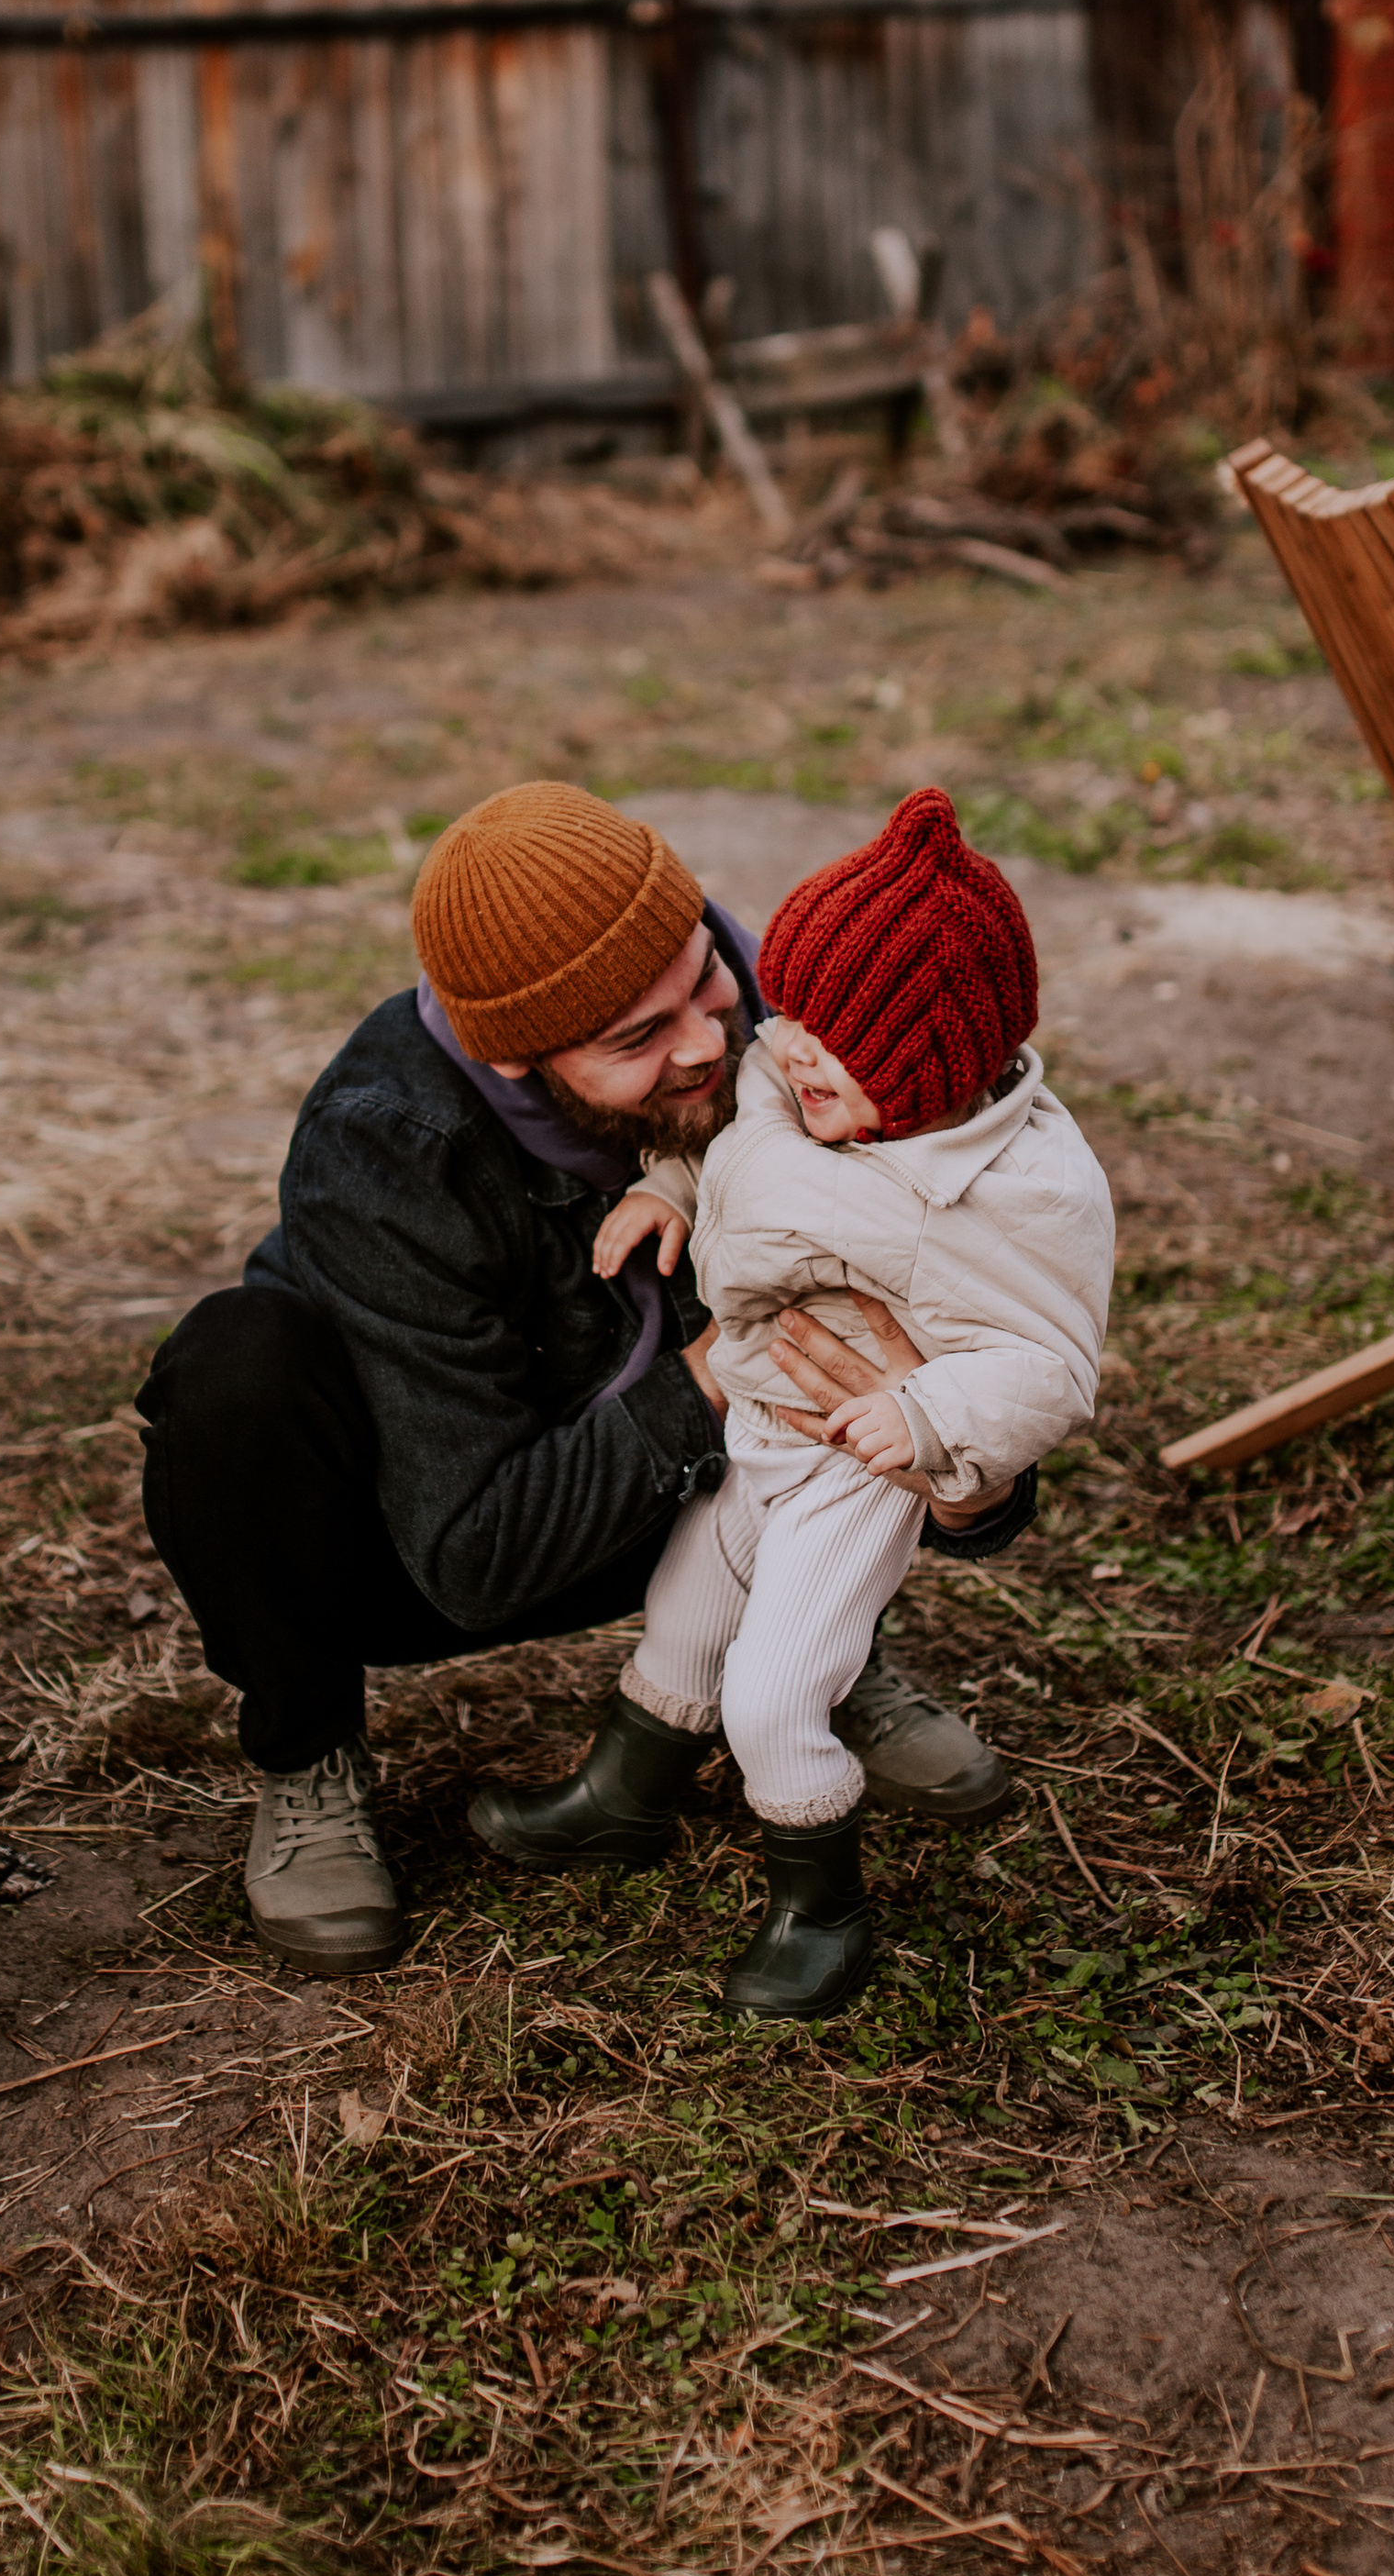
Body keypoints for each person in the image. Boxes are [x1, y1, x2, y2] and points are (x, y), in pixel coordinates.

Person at [137, 783, 1035, 1979]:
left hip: (716, 1480)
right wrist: (716, 1366)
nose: (709, 1043)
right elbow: (474, 1562)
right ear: (514, 1052)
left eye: (702, 975)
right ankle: (307, 1759)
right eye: (635, 1039)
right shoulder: (386, 1142)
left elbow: (972, 1281)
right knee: (232, 1368)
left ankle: (820, 1646)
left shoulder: (790, 1008)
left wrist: (966, 1472)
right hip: (444, 1526)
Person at [471, 790, 1112, 2019]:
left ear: (925, 1079)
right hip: (755, 1431)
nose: (783, 1051)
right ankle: (622, 1800)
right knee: (682, 1612)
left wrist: (928, 1423)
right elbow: (738, 1138)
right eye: (795, 1021)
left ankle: (821, 1903)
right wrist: (670, 1185)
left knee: (772, 1691)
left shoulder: (1014, 1196)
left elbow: (1050, 1365)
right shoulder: (807, 1069)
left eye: (832, 1049)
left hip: (853, 1465)